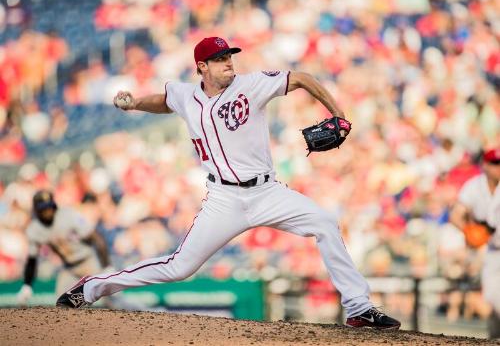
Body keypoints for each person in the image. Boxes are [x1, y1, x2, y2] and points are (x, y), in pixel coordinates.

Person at [56, 36, 400, 329]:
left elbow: (302, 78)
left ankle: (358, 308)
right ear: (201, 67)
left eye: (229, 56)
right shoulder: (186, 94)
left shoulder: (251, 85)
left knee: (324, 222)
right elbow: (165, 101)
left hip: (267, 192)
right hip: (223, 200)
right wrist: (135, 105)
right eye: (219, 59)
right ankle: (91, 288)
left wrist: (337, 113)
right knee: (179, 267)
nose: (228, 63)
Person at [17, 189, 143, 310]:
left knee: (114, 299)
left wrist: (107, 266)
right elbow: (32, 259)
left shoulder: (67, 215)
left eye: (49, 206)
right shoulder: (34, 229)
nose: (47, 211)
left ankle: (147, 312)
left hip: (89, 262)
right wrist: (27, 285)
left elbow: (96, 237)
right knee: (62, 303)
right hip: (69, 269)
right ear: (36, 210)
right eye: (43, 209)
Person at [450, 148, 500, 339]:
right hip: (491, 250)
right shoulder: (474, 186)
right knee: (493, 301)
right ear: (485, 166)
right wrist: (468, 231)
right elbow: (456, 215)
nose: (498, 168)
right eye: (495, 164)